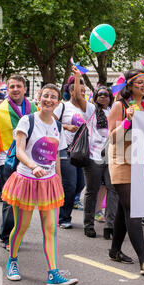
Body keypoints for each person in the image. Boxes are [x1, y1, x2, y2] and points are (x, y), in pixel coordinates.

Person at [2, 83, 78, 285]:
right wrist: (33, 166)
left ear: (58, 102)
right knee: (22, 226)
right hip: (26, 180)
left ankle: (53, 273)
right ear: (39, 97)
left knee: (51, 229)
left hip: (49, 183)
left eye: (53, 97)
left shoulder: (58, 126)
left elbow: (56, 157)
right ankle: (13, 261)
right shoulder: (28, 120)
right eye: (46, 96)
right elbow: (19, 151)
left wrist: (59, 183)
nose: (49, 100)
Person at [107, 69, 144, 274]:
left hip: (140, 162)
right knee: (133, 208)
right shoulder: (120, 106)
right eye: (140, 82)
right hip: (121, 160)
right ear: (129, 85)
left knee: (123, 208)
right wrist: (128, 120)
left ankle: (115, 250)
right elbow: (112, 138)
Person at [0, 75, 38, 251]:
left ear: (25, 88)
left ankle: (14, 232)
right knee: (10, 199)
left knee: (25, 199)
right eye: (11, 87)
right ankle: (8, 236)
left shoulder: (33, 107)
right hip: (7, 160)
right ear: (7, 89)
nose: (15, 89)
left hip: (29, 159)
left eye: (18, 86)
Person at [71, 66, 118, 239]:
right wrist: (77, 77)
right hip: (93, 157)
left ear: (110, 97)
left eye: (106, 94)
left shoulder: (114, 111)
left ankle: (110, 226)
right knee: (91, 190)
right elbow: (77, 97)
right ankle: (88, 225)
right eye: (100, 95)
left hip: (110, 156)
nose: (103, 97)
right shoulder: (90, 110)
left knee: (113, 190)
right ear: (96, 97)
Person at [54, 72, 86, 230]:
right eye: (80, 91)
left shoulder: (85, 107)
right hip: (65, 148)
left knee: (81, 183)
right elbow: (50, 120)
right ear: (72, 91)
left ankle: (66, 203)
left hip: (80, 150)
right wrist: (66, 126)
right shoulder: (63, 105)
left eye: (85, 92)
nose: (83, 94)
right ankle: (63, 217)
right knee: (70, 184)